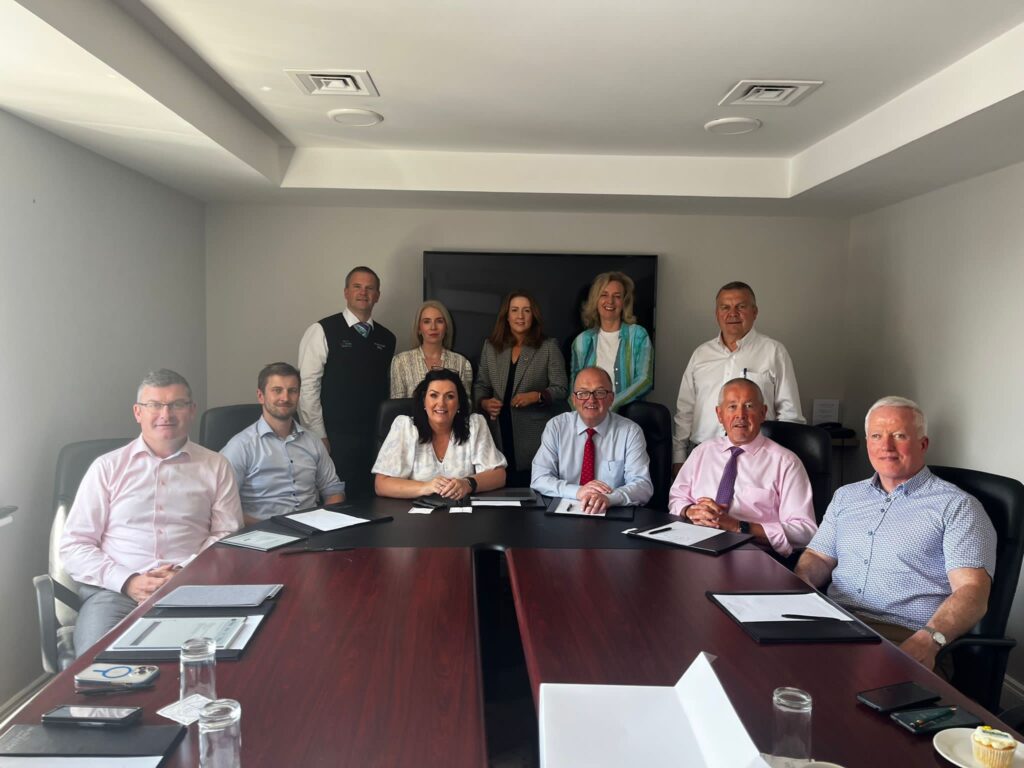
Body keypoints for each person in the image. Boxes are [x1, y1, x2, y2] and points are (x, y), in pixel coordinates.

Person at [795, 397, 996, 678]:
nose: (886, 447)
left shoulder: (957, 507)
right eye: (877, 436)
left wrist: (929, 640)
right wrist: (797, 591)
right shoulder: (846, 496)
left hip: (903, 637)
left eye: (899, 436)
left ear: (923, 444)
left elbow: (972, 592)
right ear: (867, 443)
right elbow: (818, 556)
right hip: (832, 622)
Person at [60, 369, 242, 654]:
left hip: (192, 588)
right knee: (99, 669)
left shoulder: (216, 466)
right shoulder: (106, 468)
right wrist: (128, 581)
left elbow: (226, 536)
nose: (165, 414)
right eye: (154, 405)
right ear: (138, 412)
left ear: (192, 410)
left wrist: (185, 572)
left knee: (215, 662)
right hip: (115, 593)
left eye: (177, 404)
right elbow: (74, 546)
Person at [668, 378, 816, 558]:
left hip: (754, 556)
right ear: (719, 414)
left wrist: (739, 526)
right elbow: (677, 498)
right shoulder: (701, 452)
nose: (740, 415)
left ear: (763, 413)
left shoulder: (786, 462)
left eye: (749, 406)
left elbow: (805, 531)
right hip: (697, 549)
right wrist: (690, 510)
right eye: (732, 407)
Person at [672, 281, 804, 472]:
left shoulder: (773, 351)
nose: (732, 313)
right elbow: (685, 411)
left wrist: (779, 463)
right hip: (703, 457)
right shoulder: (701, 355)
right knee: (702, 503)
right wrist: (679, 457)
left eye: (741, 307)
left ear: (754, 312)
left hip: (758, 459)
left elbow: (790, 414)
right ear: (717, 314)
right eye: (725, 307)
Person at [298, 266, 396, 498]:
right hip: (334, 438)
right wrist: (317, 435)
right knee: (338, 504)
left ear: (377, 296)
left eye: (370, 288)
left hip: (374, 439)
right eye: (357, 287)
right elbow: (308, 387)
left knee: (372, 503)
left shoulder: (387, 338)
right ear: (346, 292)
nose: (363, 292)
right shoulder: (322, 330)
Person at [221, 362, 345, 523]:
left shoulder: (313, 441)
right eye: (277, 390)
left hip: (312, 533)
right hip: (261, 535)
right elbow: (222, 506)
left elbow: (333, 490)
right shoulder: (240, 446)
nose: (285, 398)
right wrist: (273, 529)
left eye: (292, 391)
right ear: (261, 396)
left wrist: (324, 524)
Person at [474, 291, 568, 486]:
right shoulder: (491, 347)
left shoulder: (548, 346)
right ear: (506, 316)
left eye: (526, 310)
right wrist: (484, 402)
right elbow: (481, 385)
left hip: (532, 438)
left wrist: (537, 396)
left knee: (530, 500)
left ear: (533, 316)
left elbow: (561, 389)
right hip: (497, 433)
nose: (520, 316)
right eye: (514, 310)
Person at [531, 367, 653, 514]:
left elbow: (643, 486)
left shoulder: (630, 432)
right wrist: (578, 491)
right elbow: (539, 478)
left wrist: (609, 498)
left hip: (612, 514)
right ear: (574, 399)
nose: (591, 399)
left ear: (611, 398)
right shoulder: (556, 427)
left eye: (600, 393)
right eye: (583, 393)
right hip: (565, 513)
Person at [373, 369, 507, 499]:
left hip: (463, 515)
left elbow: (499, 475)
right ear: (424, 400)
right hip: (416, 516)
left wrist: (468, 483)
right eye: (433, 395)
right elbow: (382, 484)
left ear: (459, 403)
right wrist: (426, 487)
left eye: (450, 396)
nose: (441, 403)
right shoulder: (405, 427)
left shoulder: (474, 425)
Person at [570, 271, 653, 411]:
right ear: (596, 300)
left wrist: (611, 405)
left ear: (624, 302)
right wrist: (580, 418)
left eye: (617, 296)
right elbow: (574, 388)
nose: (610, 301)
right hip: (590, 419)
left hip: (627, 418)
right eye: (604, 295)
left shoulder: (638, 335)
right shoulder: (581, 341)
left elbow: (645, 380)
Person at [390, 300, 473, 399]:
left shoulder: (462, 363)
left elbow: (466, 405)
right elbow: (397, 407)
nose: (433, 327)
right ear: (419, 329)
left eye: (439, 321)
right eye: (427, 321)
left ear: (446, 327)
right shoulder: (401, 362)